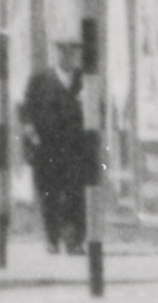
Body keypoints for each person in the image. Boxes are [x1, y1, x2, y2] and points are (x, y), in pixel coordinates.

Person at [18, 46, 98, 258]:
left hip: (75, 148)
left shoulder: (84, 79)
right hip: (47, 147)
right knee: (50, 195)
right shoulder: (40, 79)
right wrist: (30, 131)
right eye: (63, 52)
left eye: (71, 53)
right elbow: (25, 109)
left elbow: (98, 107)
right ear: (56, 54)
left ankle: (74, 242)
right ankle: (52, 239)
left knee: (75, 194)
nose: (67, 57)